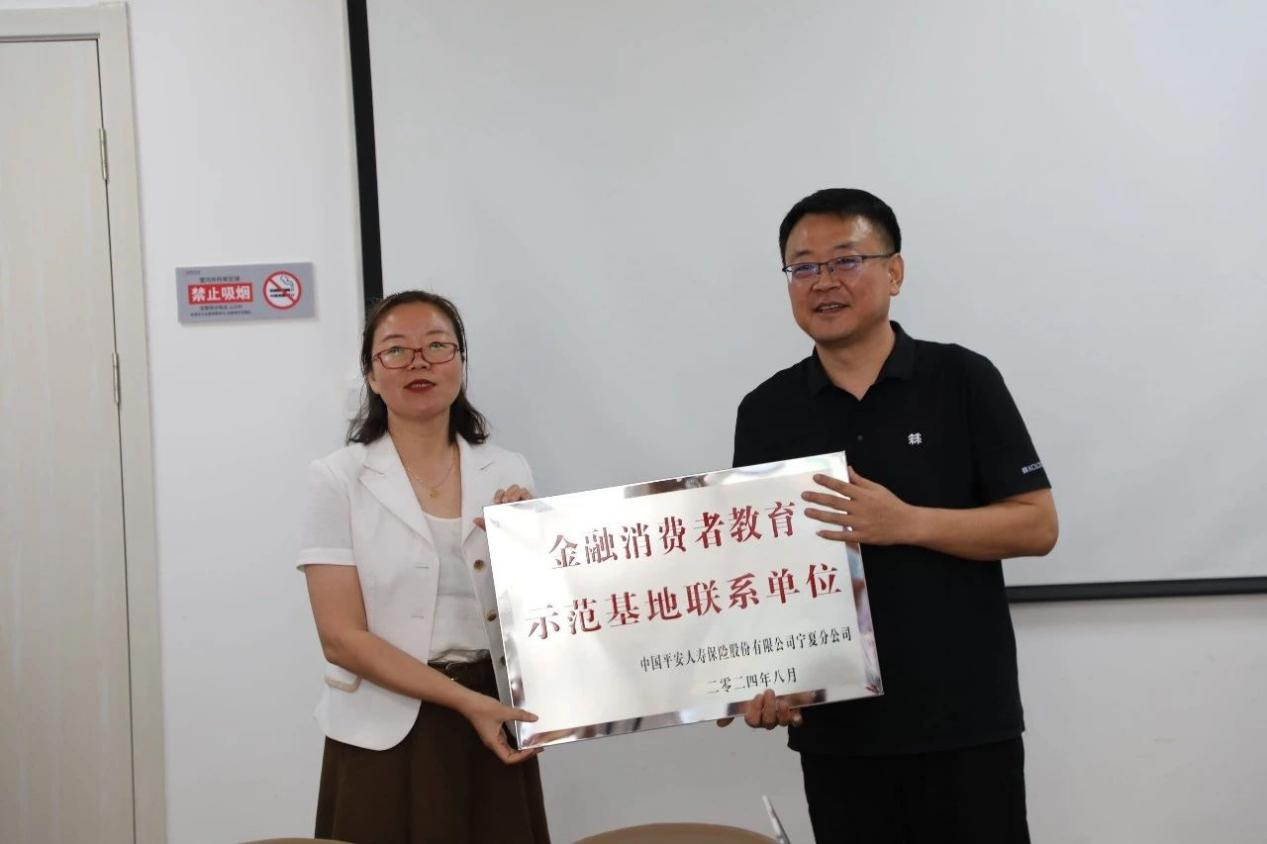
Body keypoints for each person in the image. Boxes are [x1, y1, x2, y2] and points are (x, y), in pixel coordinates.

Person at [726, 189, 1058, 842]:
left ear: (894, 272)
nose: (823, 281)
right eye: (803, 266)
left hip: (964, 723)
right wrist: (760, 680)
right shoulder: (765, 411)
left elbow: (1036, 524)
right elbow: (761, 572)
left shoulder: (962, 378)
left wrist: (905, 522)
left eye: (845, 260)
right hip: (837, 734)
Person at [296, 290, 550, 843]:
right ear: (371, 374)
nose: (418, 362)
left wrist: (532, 545)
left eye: (437, 346)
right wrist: (463, 701)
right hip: (383, 727)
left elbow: (538, 615)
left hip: (493, 715)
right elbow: (340, 639)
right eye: (396, 350)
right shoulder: (337, 479)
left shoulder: (508, 469)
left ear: (461, 364)